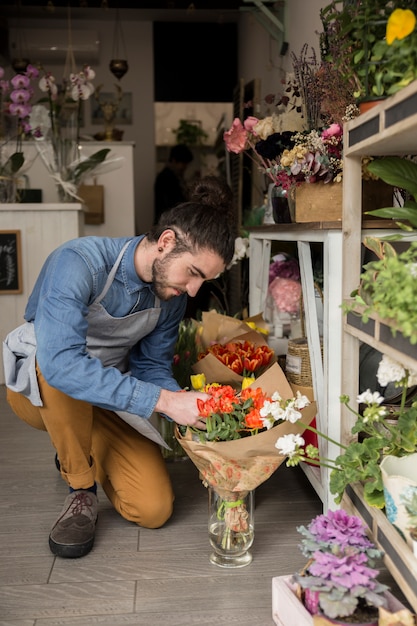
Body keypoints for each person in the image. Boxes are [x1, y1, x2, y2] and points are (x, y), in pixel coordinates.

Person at [3, 176, 236, 559]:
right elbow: (60, 365)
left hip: (105, 395)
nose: (194, 290)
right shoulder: (78, 262)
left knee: (154, 508)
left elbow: (150, 366)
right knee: (61, 365)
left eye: (204, 281)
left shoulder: (171, 297)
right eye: (193, 273)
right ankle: (80, 486)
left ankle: (76, 443)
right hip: (40, 389)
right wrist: (161, 401)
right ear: (166, 242)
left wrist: (182, 405)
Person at [154, 143, 194, 223]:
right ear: (174, 160)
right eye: (183, 163)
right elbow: (173, 203)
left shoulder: (171, 176)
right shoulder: (167, 178)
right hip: (168, 221)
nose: (185, 167)